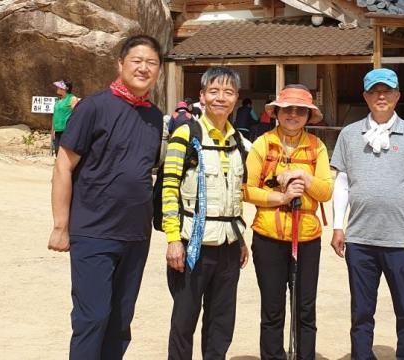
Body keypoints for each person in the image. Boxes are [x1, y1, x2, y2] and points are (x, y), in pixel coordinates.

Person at [47, 35, 164, 359]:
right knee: (92, 317)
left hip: (135, 236)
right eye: (137, 60)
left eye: (151, 63)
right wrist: (60, 225)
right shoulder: (93, 107)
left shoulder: (155, 117)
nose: (144, 68)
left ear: (158, 71)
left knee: (120, 322)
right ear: (120, 64)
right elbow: (63, 166)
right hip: (93, 233)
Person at [330, 68, 404, 359]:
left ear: (397, 96)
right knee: (361, 311)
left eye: (387, 90)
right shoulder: (350, 135)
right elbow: (341, 182)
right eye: (374, 91)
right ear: (365, 96)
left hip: (402, 240)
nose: (381, 96)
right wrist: (338, 226)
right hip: (360, 239)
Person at [162, 66, 250, 359]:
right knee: (184, 320)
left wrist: (239, 238)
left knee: (221, 322)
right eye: (214, 91)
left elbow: (235, 194)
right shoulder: (186, 134)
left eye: (228, 92)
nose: (221, 98)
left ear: (237, 97)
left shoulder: (238, 140)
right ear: (202, 96)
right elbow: (169, 187)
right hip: (191, 246)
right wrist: (173, 239)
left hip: (227, 246)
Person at [243, 84, 333, 359]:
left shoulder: (316, 147)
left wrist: (302, 177)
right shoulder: (262, 144)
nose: (293, 115)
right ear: (277, 113)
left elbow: (326, 191)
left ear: (308, 115)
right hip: (268, 237)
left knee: (305, 307)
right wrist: (281, 198)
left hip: (306, 238)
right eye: (287, 110)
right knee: (272, 308)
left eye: (300, 111)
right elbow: (247, 190)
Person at [51, 79, 79, 156]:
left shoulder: (72, 99)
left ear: (65, 89)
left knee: (65, 152)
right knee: (57, 151)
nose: (57, 88)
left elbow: (77, 116)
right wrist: (52, 130)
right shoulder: (58, 100)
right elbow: (55, 115)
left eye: (59, 87)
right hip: (57, 130)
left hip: (66, 130)